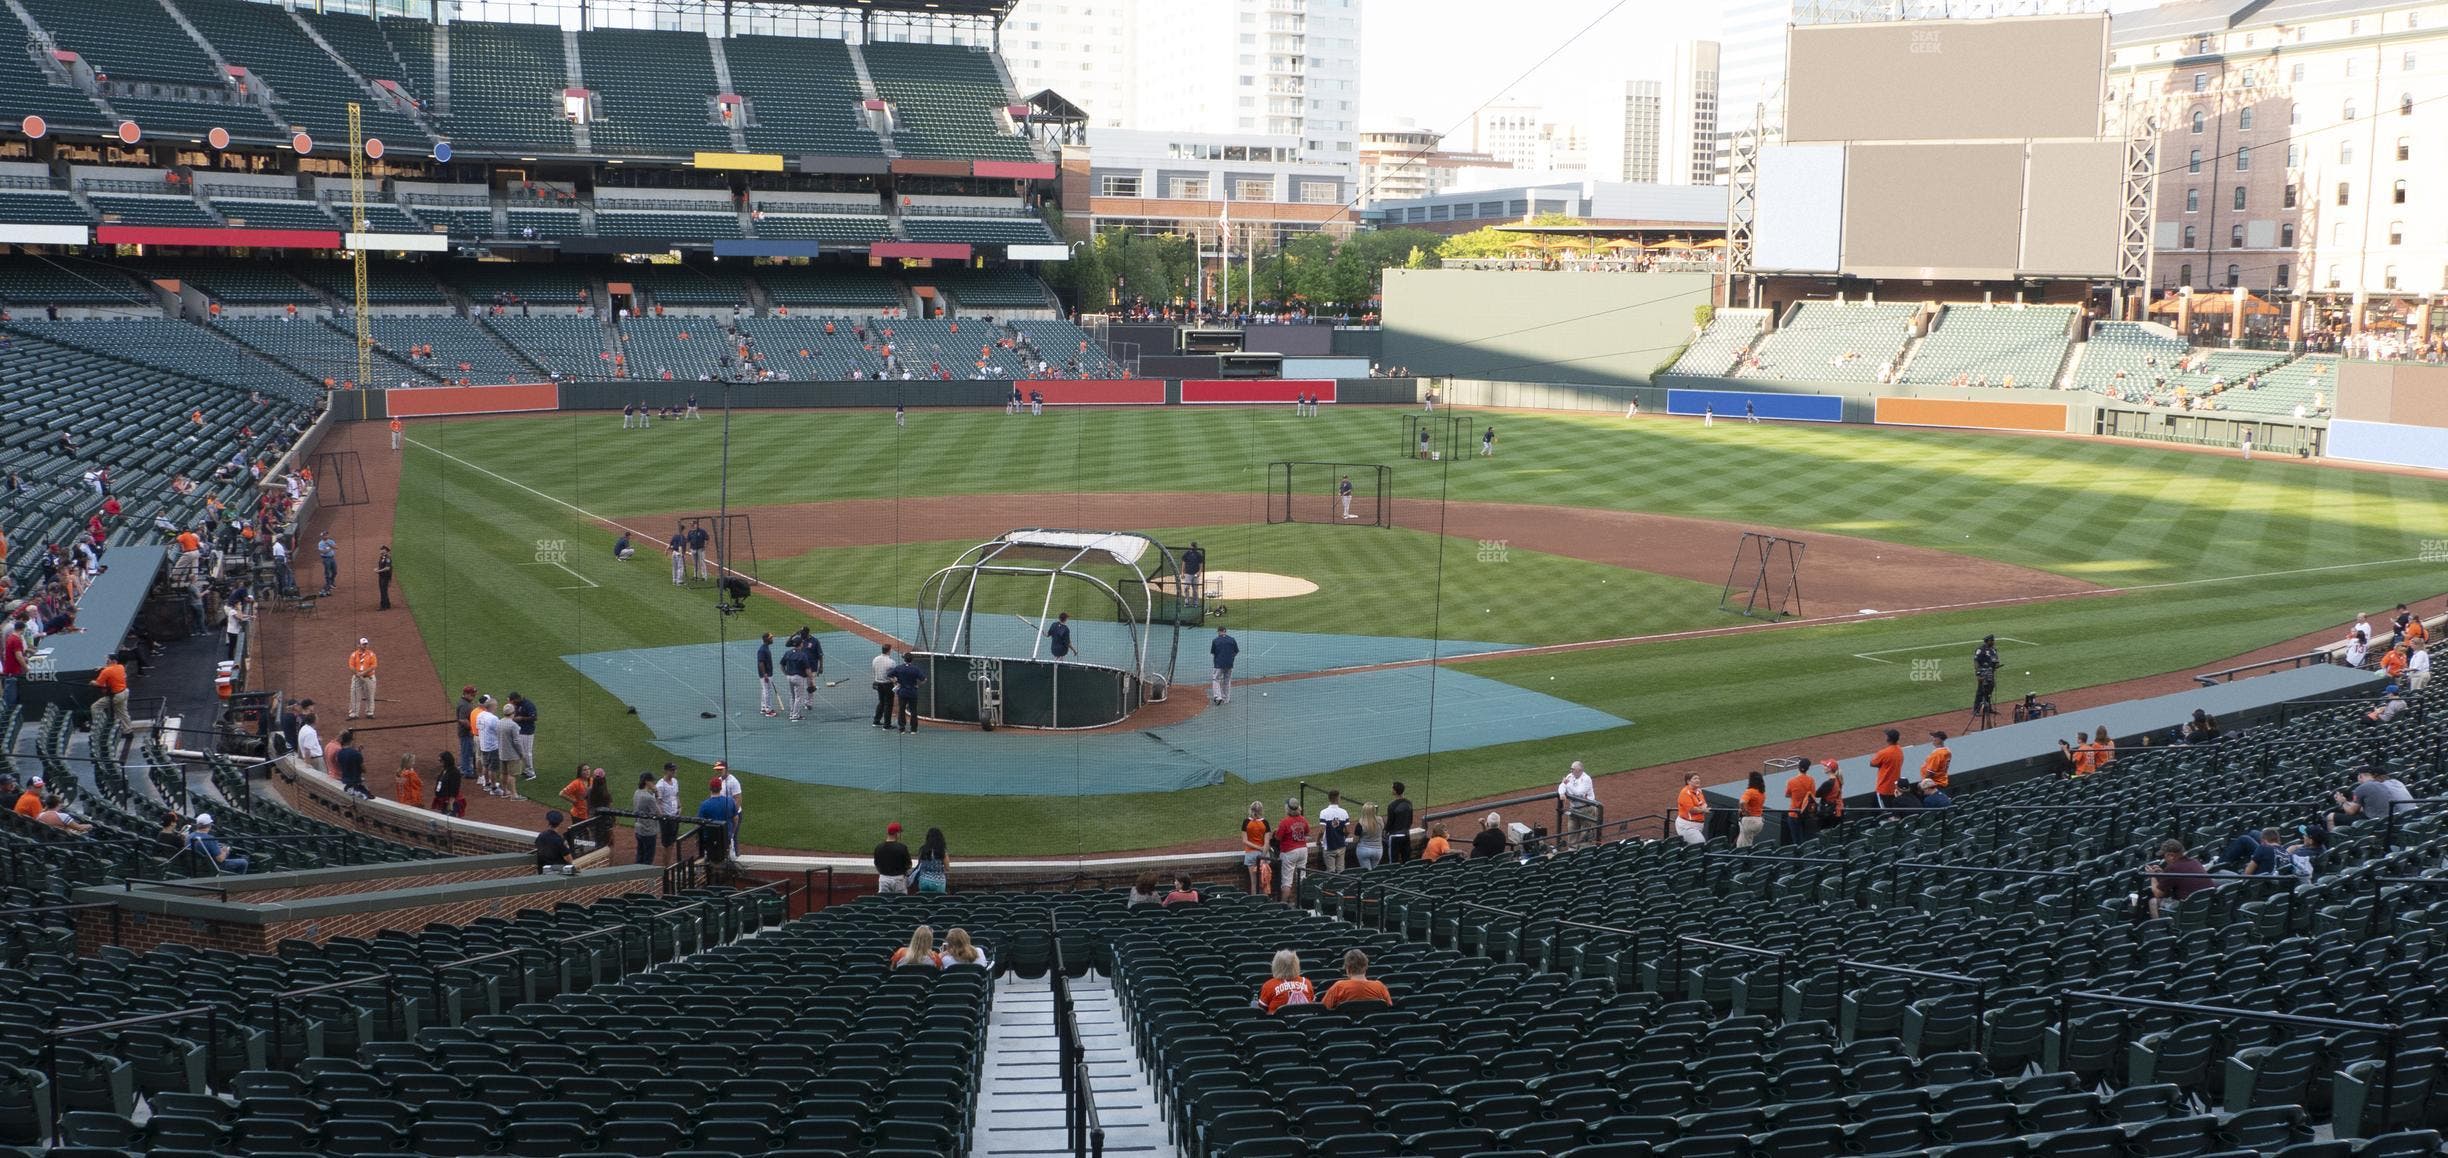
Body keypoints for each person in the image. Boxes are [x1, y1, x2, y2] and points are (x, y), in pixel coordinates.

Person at [2146, 839, 2209, 918]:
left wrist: (2152, 876)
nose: (2164, 859)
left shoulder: (2172, 868)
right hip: (2204, 905)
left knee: (2153, 902)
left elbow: (2158, 894)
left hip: (2187, 908)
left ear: (2171, 856)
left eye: (2164, 856)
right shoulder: (2195, 861)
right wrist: (2163, 874)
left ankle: (2159, 928)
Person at [1321, 949, 1392, 1010]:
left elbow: (1323, 1009)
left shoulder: (1339, 987)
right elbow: (1389, 1008)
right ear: (1366, 967)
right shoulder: (1379, 986)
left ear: (1347, 969)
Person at [1274, 798, 1310, 903]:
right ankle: (1302, 904)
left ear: (1287, 808)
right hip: (1303, 850)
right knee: (1301, 878)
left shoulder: (1284, 822)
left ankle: (1283, 907)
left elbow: (1278, 838)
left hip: (1289, 852)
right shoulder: (1303, 819)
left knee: (1287, 882)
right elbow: (1307, 833)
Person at [694, 779, 737, 862]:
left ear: (710, 788)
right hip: (726, 839)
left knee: (710, 863)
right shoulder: (730, 801)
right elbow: (736, 819)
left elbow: (698, 825)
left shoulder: (704, 805)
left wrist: (697, 839)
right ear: (721, 788)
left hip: (710, 842)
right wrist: (732, 833)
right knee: (731, 862)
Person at [1558, 760, 1598, 846]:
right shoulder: (1570, 776)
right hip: (1573, 808)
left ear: (1580, 770)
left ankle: (1584, 851)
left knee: (1585, 833)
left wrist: (1567, 784)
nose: (1571, 771)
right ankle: (1572, 849)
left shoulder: (1586, 779)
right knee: (1572, 829)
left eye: (1573, 769)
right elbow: (1562, 785)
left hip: (1586, 809)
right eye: (1571, 769)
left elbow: (1578, 793)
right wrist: (1561, 793)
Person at [888, 651, 926, 733]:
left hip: (902, 692)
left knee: (901, 710)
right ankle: (914, 730)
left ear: (904, 660)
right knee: (913, 711)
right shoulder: (915, 669)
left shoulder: (899, 668)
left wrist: (895, 682)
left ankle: (902, 729)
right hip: (913, 692)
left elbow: (889, 675)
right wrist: (918, 685)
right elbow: (924, 679)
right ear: (911, 660)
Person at [89, 654, 130, 731]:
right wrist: (102, 668)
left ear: (113, 661)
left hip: (116, 696)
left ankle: (101, 726)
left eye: (108, 660)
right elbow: (112, 669)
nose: (106, 662)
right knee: (123, 713)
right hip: (124, 692)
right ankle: (128, 731)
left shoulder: (106, 671)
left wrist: (92, 682)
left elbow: (98, 683)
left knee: (95, 707)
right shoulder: (121, 667)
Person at [1782, 760, 1818, 846]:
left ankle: (1799, 857)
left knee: (1796, 840)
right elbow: (1813, 795)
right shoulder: (1811, 780)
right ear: (1807, 769)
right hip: (1807, 813)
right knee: (1805, 839)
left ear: (1798, 768)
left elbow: (1787, 795)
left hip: (1794, 814)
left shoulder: (1791, 781)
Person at [874, 821, 914, 894]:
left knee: (884, 901)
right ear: (896, 833)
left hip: (884, 879)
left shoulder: (878, 848)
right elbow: (909, 865)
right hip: (899, 879)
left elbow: (876, 864)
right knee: (901, 901)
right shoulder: (902, 848)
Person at [1315, 790, 1350, 872]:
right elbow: (1347, 831)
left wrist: (1318, 841)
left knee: (1331, 872)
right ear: (1338, 798)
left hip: (1329, 848)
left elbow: (1322, 831)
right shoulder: (1344, 812)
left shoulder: (1324, 812)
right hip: (1341, 846)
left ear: (1329, 799)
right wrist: (1343, 838)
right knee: (1341, 870)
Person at [1870, 729, 1904, 809]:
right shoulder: (1899, 749)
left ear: (1888, 739)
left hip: (1884, 788)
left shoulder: (1884, 753)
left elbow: (1872, 763)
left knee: (1884, 811)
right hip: (1895, 787)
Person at [333, 731, 372, 799]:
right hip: (356, 784)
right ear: (350, 741)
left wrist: (358, 752)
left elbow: (347, 760)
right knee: (369, 797)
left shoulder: (339, 753)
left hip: (345, 782)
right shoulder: (356, 754)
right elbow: (364, 770)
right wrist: (359, 754)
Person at [1673, 772, 1708, 844]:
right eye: (1695, 778)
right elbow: (1692, 810)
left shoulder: (1699, 791)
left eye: (1698, 778)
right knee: (1700, 843)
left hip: (1698, 824)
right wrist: (1703, 809)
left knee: (1691, 845)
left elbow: (1704, 804)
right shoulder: (1685, 793)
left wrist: (1702, 808)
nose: (1698, 780)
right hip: (1687, 825)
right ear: (1688, 781)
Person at [347, 637, 378, 720]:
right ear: (358, 645)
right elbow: (351, 666)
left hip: (369, 677)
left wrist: (363, 673)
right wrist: (357, 674)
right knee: (355, 695)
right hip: (357, 678)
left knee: (370, 695)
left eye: (366, 644)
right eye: (363, 644)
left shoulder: (371, 654)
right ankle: (354, 713)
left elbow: (373, 666)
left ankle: (370, 713)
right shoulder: (354, 655)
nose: (365, 645)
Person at [870, 642, 899, 729]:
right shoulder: (891, 662)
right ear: (889, 651)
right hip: (887, 685)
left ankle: (876, 721)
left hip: (878, 684)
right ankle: (887, 725)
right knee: (888, 704)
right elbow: (894, 675)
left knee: (881, 702)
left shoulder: (875, 659)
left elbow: (874, 670)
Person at [535, 810, 573, 875]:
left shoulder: (541, 836)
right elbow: (569, 859)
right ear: (560, 823)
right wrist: (567, 847)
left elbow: (538, 847)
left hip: (543, 871)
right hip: (557, 872)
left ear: (548, 822)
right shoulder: (559, 840)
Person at [1972, 636, 2001, 720]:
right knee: (1981, 691)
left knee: (1990, 689)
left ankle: (1987, 708)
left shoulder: (1993, 650)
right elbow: (1976, 661)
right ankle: (1976, 709)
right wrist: (1978, 674)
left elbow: (1995, 660)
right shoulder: (1981, 649)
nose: (1993, 642)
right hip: (1983, 672)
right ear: (1987, 641)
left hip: (1990, 672)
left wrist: (1997, 665)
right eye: (1992, 640)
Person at [913, 827, 949, 894]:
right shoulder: (942, 851)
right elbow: (947, 868)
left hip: (924, 880)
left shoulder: (923, 850)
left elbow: (919, 864)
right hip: (938, 882)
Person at [1735, 772, 1767, 848]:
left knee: (1742, 846)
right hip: (1759, 822)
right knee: (1745, 841)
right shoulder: (1762, 793)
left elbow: (1742, 802)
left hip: (1750, 821)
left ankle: (1743, 859)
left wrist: (1744, 812)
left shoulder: (1750, 791)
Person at [1386, 782, 1414, 864]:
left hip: (1395, 836)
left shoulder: (1392, 805)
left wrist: (1386, 831)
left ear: (1395, 791)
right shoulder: (1409, 803)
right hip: (1406, 835)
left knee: (1393, 861)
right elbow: (1410, 819)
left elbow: (1390, 822)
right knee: (1407, 860)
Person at [1209, 626, 1239, 705]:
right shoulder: (1232, 640)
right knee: (1227, 681)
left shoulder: (1215, 640)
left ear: (1219, 631)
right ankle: (1226, 699)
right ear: (1225, 631)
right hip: (1229, 664)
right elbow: (1236, 651)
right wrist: (1230, 658)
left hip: (1219, 664)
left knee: (1216, 679)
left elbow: (1213, 652)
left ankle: (1218, 697)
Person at [1351, 802, 1383, 869]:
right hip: (1378, 851)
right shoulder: (1380, 821)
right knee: (1375, 873)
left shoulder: (1361, 823)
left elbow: (1355, 840)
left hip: (1364, 850)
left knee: (1367, 873)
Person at [432, 752, 464, 817]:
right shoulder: (445, 770)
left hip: (450, 802)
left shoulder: (454, 772)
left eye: (441, 761)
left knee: (450, 820)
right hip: (444, 800)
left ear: (446, 761)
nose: (440, 763)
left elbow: (454, 788)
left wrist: (451, 803)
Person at [295, 709, 326, 776]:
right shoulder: (311, 732)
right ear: (314, 721)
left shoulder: (304, 728)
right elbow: (307, 749)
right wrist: (308, 764)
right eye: (317, 718)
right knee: (322, 779)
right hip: (315, 761)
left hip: (313, 759)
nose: (318, 719)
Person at [756, 632, 778, 717]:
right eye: (771, 638)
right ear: (767, 639)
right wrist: (765, 674)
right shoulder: (762, 650)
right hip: (766, 674)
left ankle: (763, 708)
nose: (772, 639)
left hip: (767, 673)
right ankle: (768, 710)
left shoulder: (765, 648)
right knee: (767, 691)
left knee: (764, 690)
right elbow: (761, 663)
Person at [317, 531, 338, 597]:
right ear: (322, 536)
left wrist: (330, 546)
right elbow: (322, 551)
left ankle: (331, 582)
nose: (326, 536)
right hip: (326, 559)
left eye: (326, 535)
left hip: (332, 558)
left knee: (335, 571)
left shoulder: (331, 541)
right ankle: (328, 584)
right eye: (324, 535)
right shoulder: (321, 543)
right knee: (327, 572)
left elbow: (336, 547)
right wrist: (330, 548)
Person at [375, 546, 394, 610]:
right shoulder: (382, 557)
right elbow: (382, 566)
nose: (380, 550)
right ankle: (388, 604)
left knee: (383, 591)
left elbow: (387, 568)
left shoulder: (388, 558)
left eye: (382, 549)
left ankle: (383, 606)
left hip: (385, 577)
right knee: (383, 591)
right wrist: (377, 569)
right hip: (381, 576)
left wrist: (378, 571)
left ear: (385, 550)